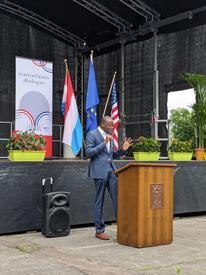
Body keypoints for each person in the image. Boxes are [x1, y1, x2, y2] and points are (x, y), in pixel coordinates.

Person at [86, 116, 133, 240]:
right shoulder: (92, 134)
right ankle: (99, 230)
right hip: (99, 172)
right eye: (110, 125)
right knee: (99, 201)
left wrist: (123, 150)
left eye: (113, 125)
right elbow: (89, 153)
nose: (112, 127)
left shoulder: (110, 136)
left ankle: (122, 228)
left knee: (118, 200)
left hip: (112, 171)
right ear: (102, 124)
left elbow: (111, 154)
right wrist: (104, 142)